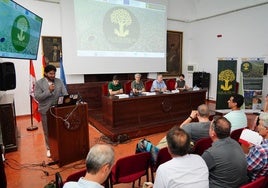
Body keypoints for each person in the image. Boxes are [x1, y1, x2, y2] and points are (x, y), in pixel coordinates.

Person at [201, 116, 248, 187]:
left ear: (213, 133)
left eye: (210, 127)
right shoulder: (236, 143)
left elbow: (197, 173)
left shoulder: (210, 153)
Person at [34, 64, 68, 157]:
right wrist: (48, 91)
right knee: (47, 131)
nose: (53, 75)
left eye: (54, 73)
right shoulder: (39, 83)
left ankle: (61, 146)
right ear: (45, 73)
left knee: (60, 129)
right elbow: (38, 97)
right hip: (45, 110)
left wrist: (67, 99)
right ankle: (49, 148)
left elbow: (65, 93)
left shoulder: (59, 81)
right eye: (50, 73)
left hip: (58, 110)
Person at [244, 112, 268, 181]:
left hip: (252, 181)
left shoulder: (260, 150)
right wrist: (253, 149)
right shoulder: (260, 148)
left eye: (260, 125)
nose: (258, 127)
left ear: (266, 129)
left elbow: (245, 168)